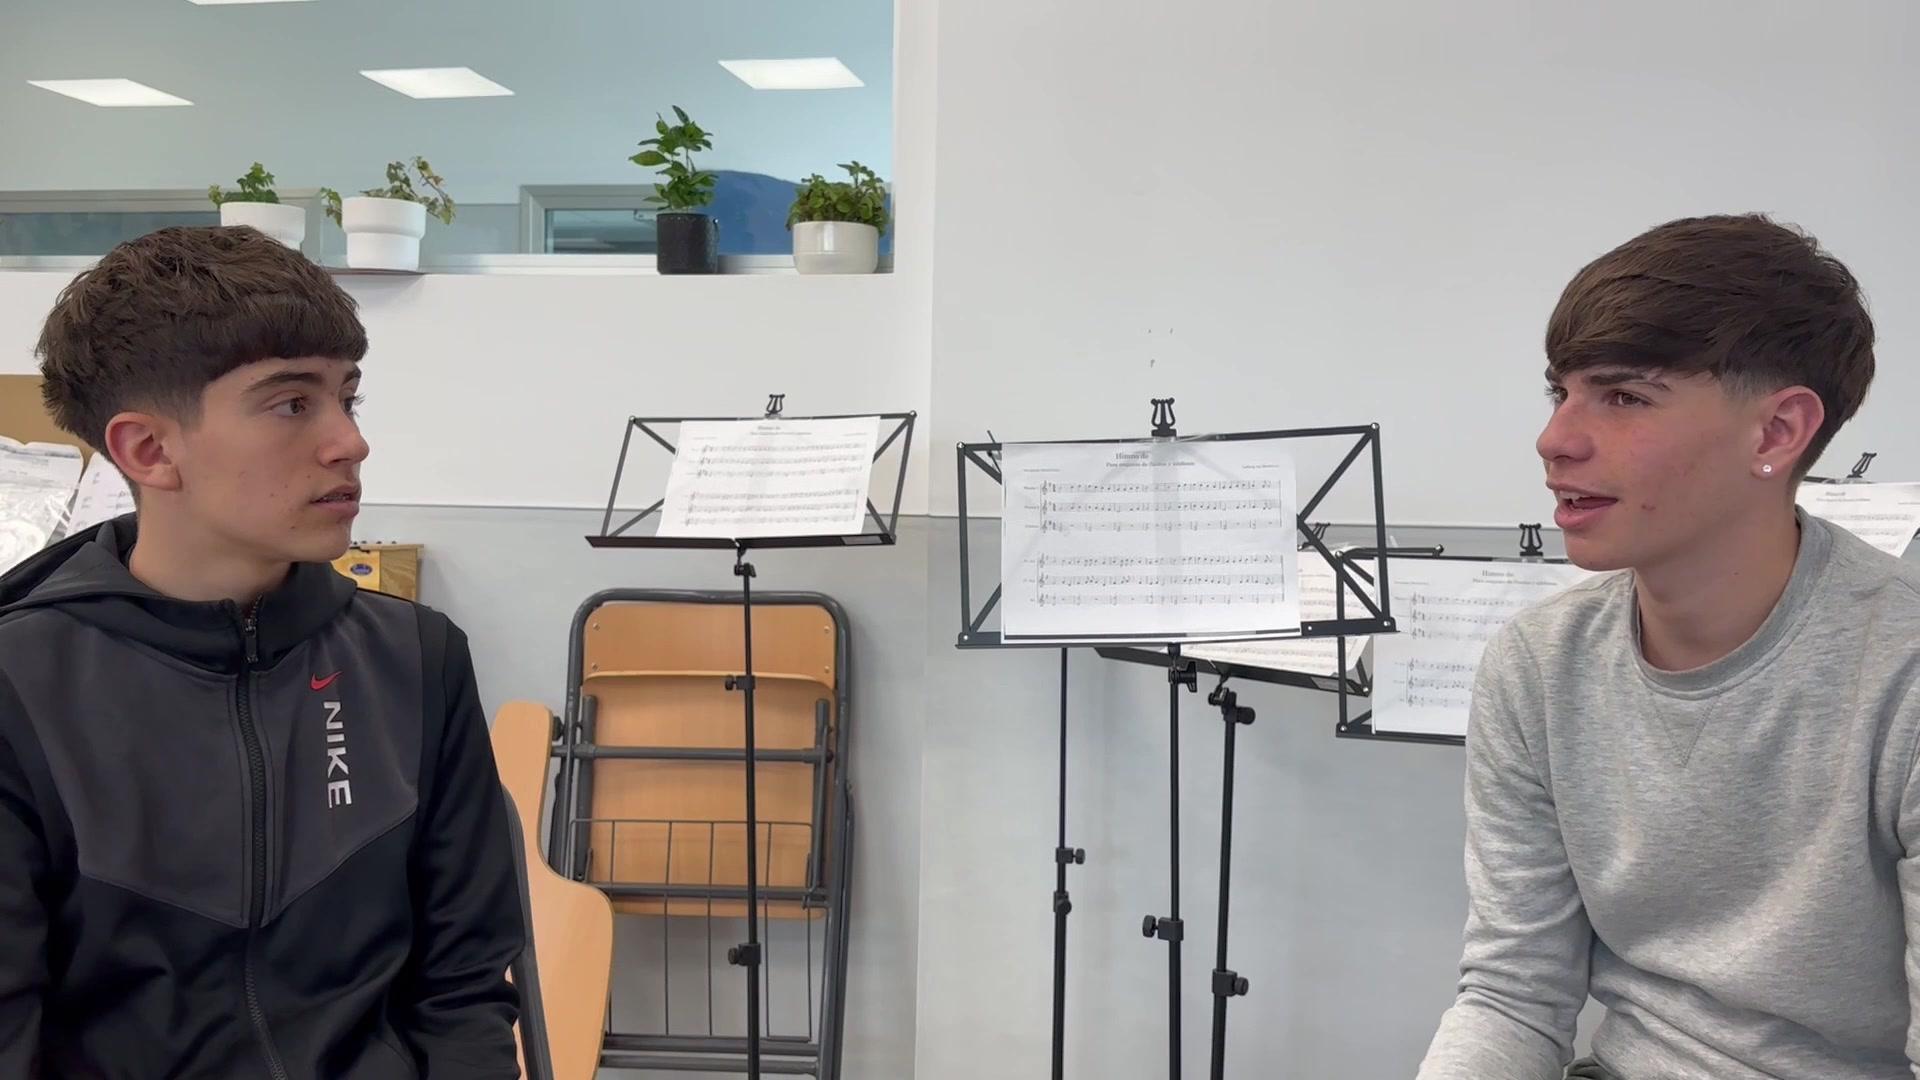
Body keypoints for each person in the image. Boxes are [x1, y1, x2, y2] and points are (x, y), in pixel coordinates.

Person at [0, 226, 524, 1077]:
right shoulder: (22, 686)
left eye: (347, 397)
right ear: (149, 450)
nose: (349, 442)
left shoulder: (416, 658)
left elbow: (462, 992)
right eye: (291, 404)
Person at [1416, 214, 1916, 1080]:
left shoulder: (1900, 674)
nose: (1555, 440)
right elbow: (1512, 995)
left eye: (1624, 397)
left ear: (1777, 432)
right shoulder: (1537, 664)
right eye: (1560, 392)